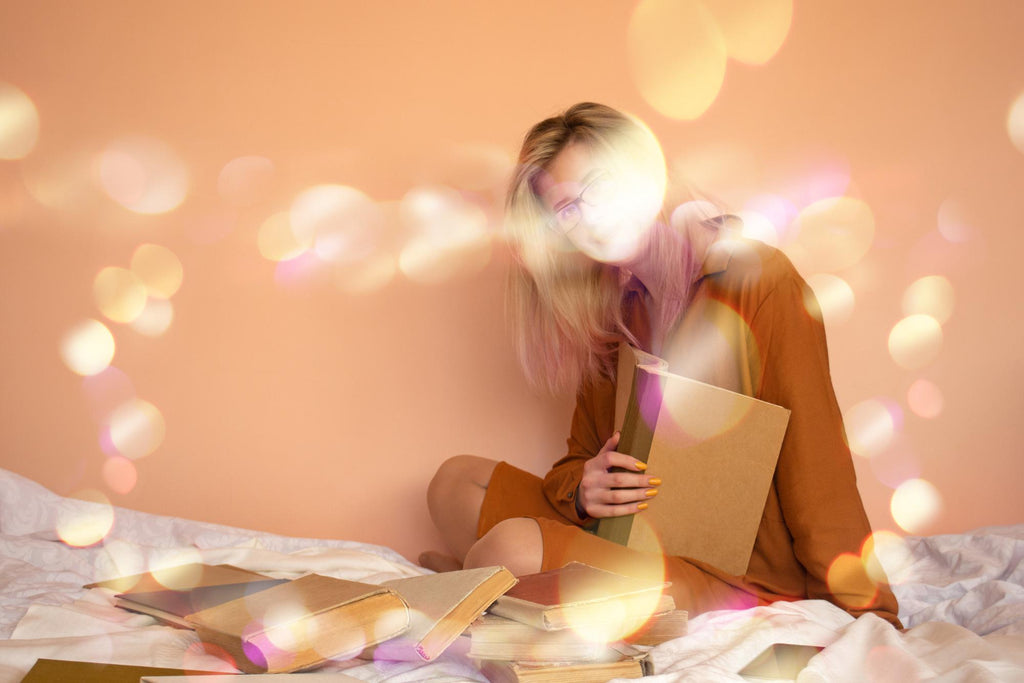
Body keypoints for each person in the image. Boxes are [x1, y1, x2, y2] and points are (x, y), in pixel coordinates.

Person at [420, 102, 900, 627]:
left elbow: (818, 460)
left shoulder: (758, 279)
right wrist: (584, 489)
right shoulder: (610, 314)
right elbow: (578, 457)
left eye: (599, 187)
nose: (592, 218)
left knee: (508, 548)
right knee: (454, 482)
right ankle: (490, 589)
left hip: (734, 574)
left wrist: (869, 613)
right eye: (567, 211)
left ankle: (481, 586)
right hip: (627, 538)